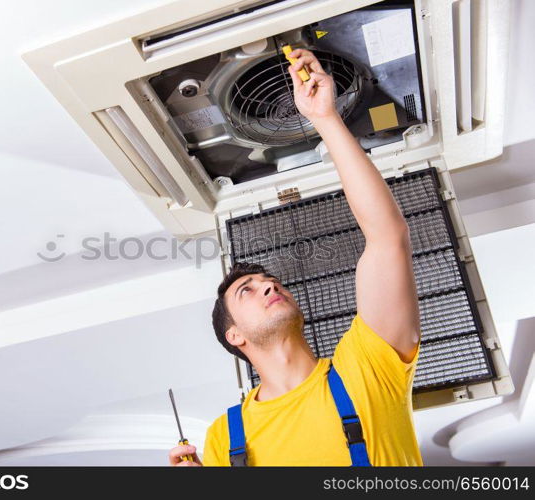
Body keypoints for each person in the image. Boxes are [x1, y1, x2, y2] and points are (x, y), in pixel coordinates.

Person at [167, 49, 422, 466]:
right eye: (247, 291)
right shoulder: (225, 438)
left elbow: (387, 238)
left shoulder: (368, 366)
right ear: (236, 337)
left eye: (270, 282)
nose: (269, 284)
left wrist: (325, 118)